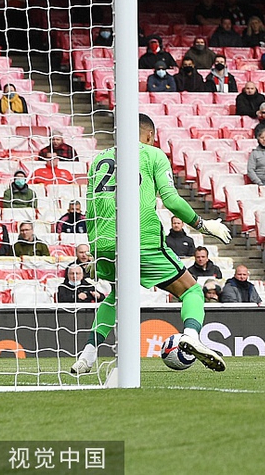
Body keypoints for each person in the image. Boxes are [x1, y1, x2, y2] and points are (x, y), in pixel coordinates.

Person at [73, 114, 232, 374]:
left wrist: (96, 251)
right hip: (141, 238)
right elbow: (170, 200)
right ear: (149, 135)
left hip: (103, 241)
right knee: (191, 291)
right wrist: (203, 225)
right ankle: (190, 336)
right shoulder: (153, 155)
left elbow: (91, 209)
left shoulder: (98, 160)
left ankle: (86, 357)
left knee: (116, 296)